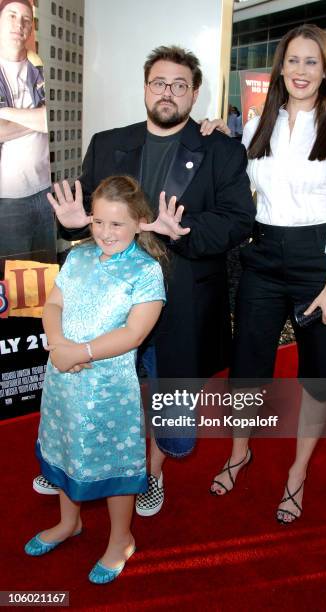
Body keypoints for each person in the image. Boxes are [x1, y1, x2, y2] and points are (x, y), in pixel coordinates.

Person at [33, 46, 255, 516]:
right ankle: (75, 459)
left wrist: (184, 232)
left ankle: (152, 471)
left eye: (179, 85)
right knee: (105, 391)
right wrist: (74, 223)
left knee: (167, 398)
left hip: (182, 301)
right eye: (159, 83)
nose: (168, 93)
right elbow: (95, 217)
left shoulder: (221, 149)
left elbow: (239, 221)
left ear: (194, 93)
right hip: (109, 302)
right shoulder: (109, 142)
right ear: (145, 87)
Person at [208, 24, 326, 523]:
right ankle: (239, 453)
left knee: (317, 376)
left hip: (318, 260)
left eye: (311, 62)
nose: (300, 71)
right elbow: (237, 183)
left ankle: (297, 471)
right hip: (262, 256)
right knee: (248, 366)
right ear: (280, 68)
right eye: (292, 61)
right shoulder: (257, 125)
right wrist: (217, 132)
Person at [24, 176, 166, 584]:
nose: (105, 232)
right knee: (65, 449)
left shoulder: (146, 271)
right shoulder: (79, 256)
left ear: (140, 222)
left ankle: (121, 538)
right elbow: (53, 302)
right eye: (99, 221)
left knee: (115, 464)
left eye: (117, 224)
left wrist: (79, 352)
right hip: (63, 379)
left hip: (108, 390)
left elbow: (134, 333)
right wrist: (59, 344)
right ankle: (70, 523)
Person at [0, 0, 55, 263]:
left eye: (25, 19)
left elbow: (55, 119)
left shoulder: (41, 70)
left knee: (45, 274)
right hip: (7, 199)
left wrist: (5, 112)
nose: (19, 24)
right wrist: (40, 118)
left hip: (46, 191)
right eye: (11, 15)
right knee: (11, 283)